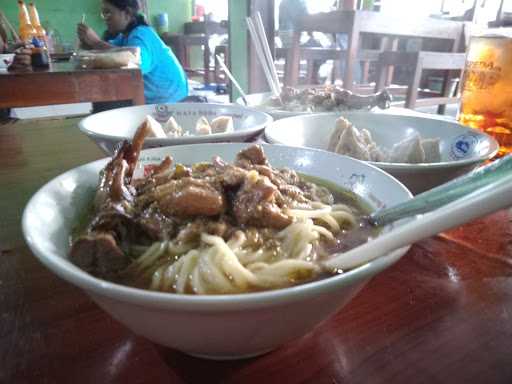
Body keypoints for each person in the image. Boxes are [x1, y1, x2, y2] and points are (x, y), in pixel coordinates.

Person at [77, 0, 188, 104]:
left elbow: (134, 59)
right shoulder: (125, 36)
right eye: (103, 13)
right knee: (105, 99)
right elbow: (113, 49)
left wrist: (97, 42)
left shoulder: (141, 34)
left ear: (127, 13)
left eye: (108, 13)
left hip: (171, 101)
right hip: (161, 98)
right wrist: (89, 44)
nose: (104, 18)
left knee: (106, 101)